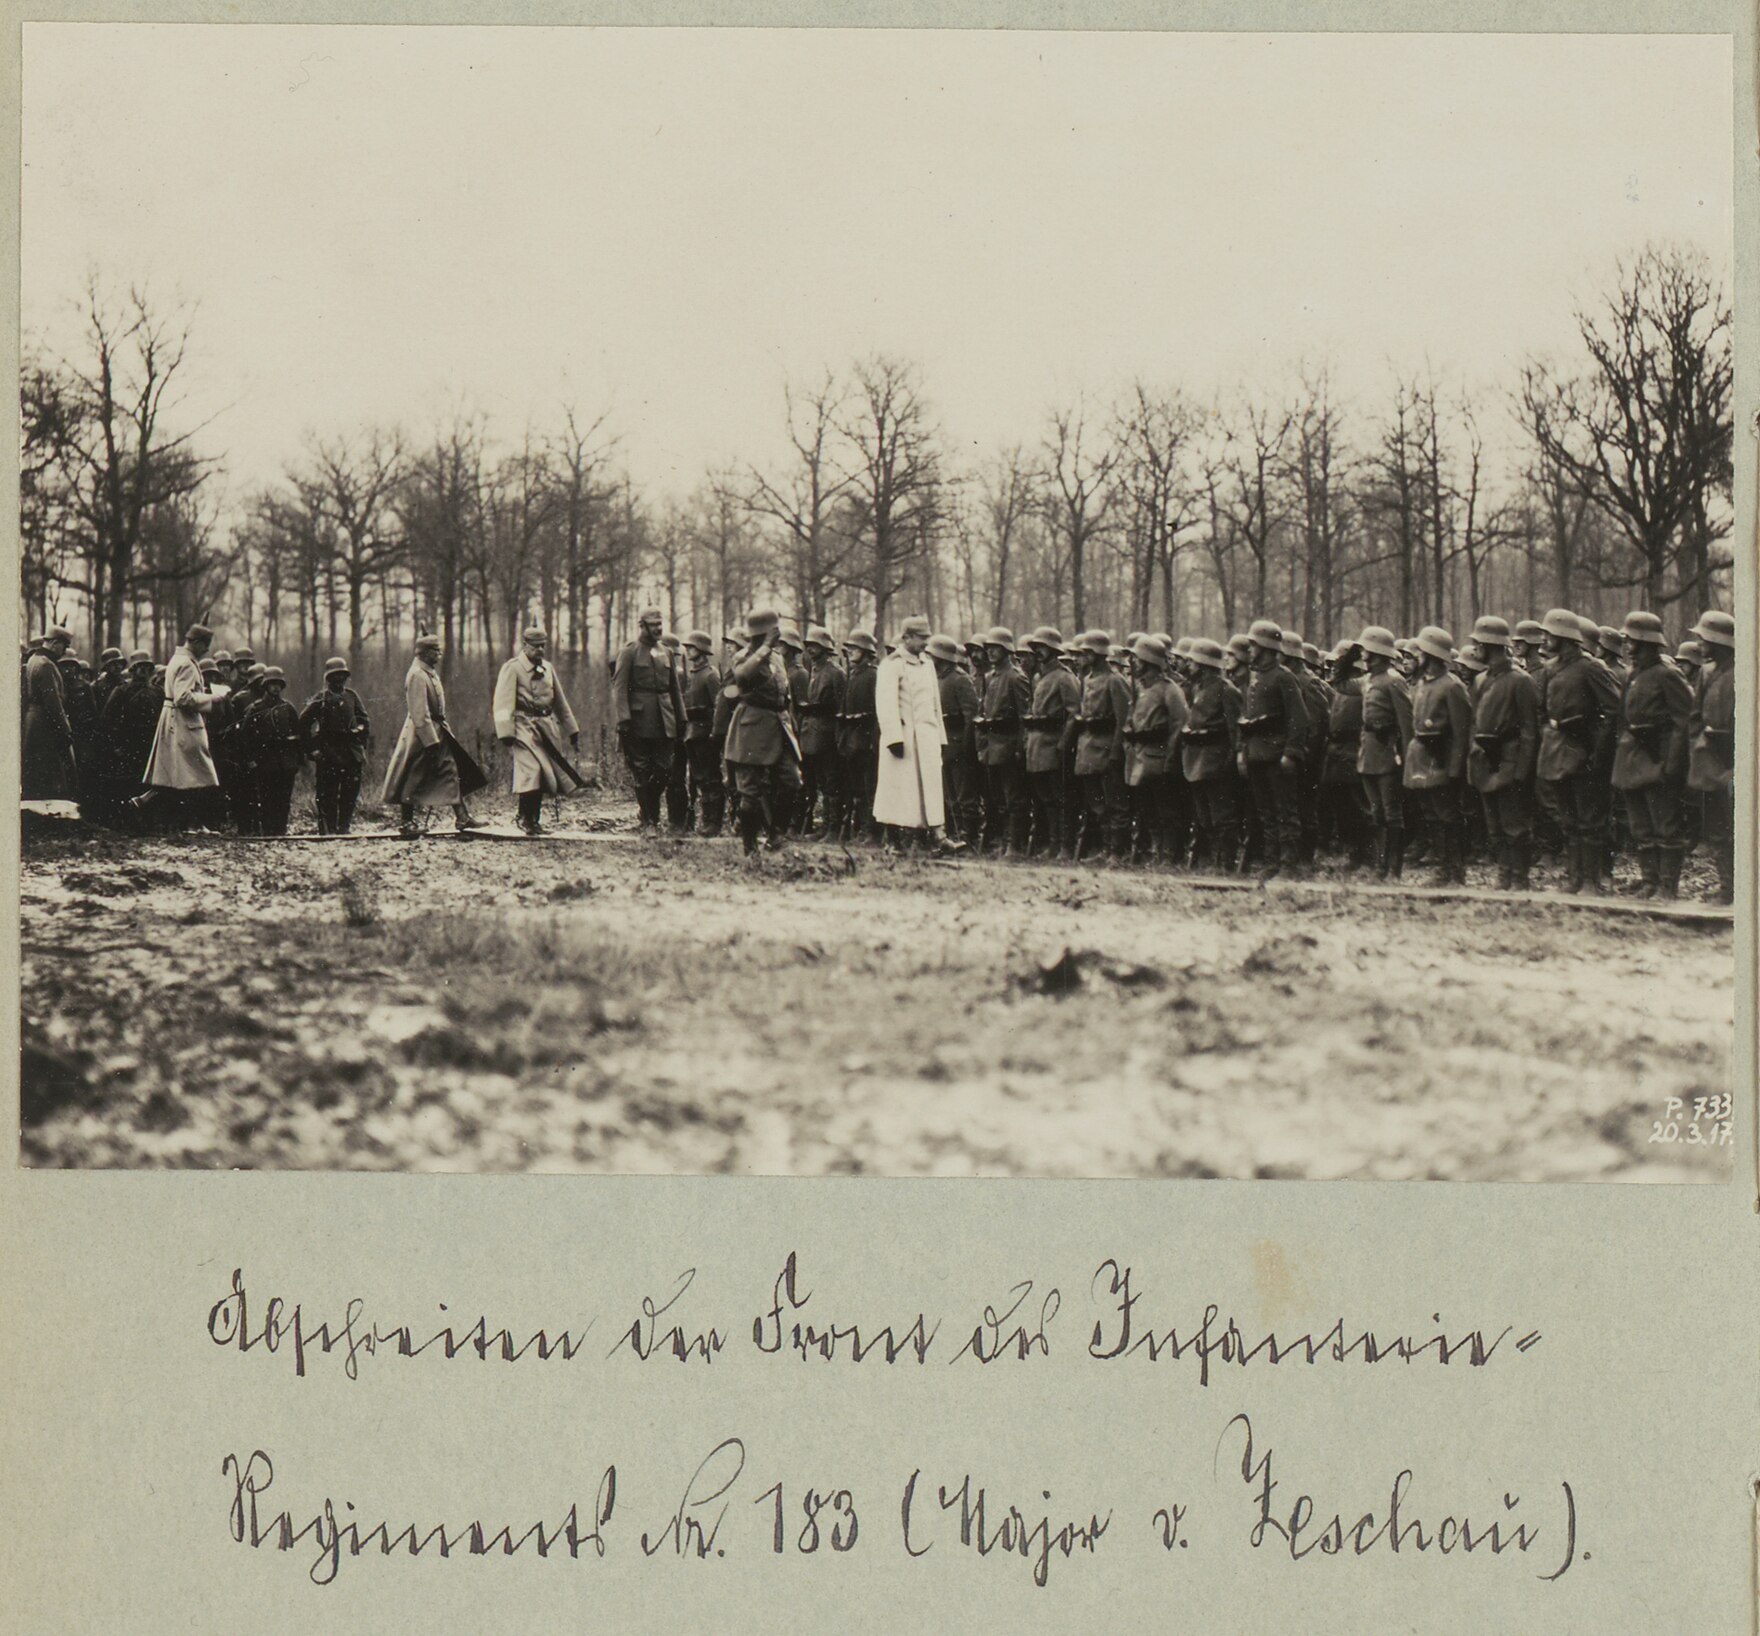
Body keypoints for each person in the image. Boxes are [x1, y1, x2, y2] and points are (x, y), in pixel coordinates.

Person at [1535, 607, 1619, 894]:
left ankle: (1592, 881)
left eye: (1549, 634)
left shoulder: (1592, 667)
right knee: (1569, 820)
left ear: (1565, 637)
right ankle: (1574, 878)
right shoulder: (1549, 669)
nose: (1544, 639)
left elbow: (1613, 710)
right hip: (1558, 754)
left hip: (1585, 753)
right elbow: (1541, 711)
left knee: (1591, 821)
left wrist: (1597, 749)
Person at [1611, 610, 1694, 899]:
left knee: (1665, 826)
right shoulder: (1633, 674)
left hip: (1658, 760)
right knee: (1641, 827)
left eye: (1631, 640)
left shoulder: (1668, 675)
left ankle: (1668, 886)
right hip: (1632, 760)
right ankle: (1650, 882)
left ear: (1645, 641)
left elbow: (1683, 722)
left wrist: (1671, 764)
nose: (1628, 646)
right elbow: (1623, 717)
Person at [381, 633, 486, 837]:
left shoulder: (428, 672)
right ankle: (406, 822)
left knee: (450, 770)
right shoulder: (417, 675)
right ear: (425, 653)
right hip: (420, 736)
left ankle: (462, 817)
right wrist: (430, 742)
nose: (439, 654)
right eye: (436, 651)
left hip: (438, 730)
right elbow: (420, 713)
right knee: (413, 776)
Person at [1463, 617, 1540, 890]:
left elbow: (1531, 729)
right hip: (1486, 760)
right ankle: (1504, 874)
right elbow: (1474, 722)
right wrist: (1474, 753)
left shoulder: (1522, 681)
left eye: (1477, 644)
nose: (1474, 650)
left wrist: (1522, 769)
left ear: (1489, 645)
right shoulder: (1481, 679)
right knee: (1494, 825)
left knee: (1515, 825)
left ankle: (1519, 877)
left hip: (1510, 760)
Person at [873, 615, 958, 853]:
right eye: (921, 638)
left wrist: (940, 737)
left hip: (926, 736)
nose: (925, 643)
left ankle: (934, 838)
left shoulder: (927, 664)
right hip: (903, 738)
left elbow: (935, 704)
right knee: (896, 788)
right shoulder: (891, 664)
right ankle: (893, 840)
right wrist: (893, 738)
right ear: (907, 637)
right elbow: (885, 703)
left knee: (928, 789)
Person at [723, 609, 804, 856]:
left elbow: (784, 695)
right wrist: (764, 648)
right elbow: (742, 678)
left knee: (792, 780)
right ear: (763, 634)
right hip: (752, 727)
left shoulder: (777, 658)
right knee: (750, 792)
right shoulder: (742, 657)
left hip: (779, 725)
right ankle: (750, 848)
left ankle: (776, 834)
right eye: (773, 630)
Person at [494, 625, 588, 836]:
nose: (540, 650)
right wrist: (505, 732)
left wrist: (572, 729)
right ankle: (526, 819)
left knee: (546, 775)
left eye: (543, 646)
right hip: (522, 727)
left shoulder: (547, 668)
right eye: (535, 646)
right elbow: (502, 702)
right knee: (531, 771)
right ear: (525, 645)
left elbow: (560, 702)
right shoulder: (513, 667)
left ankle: (532, 820)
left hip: (545, 728)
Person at [1236, 620, 1310, 879]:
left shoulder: (1284, 677)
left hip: (1277, 756)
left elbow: (1298, 718)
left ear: (1266, 647)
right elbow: (1246, 720)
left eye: (1254, 645)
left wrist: (1291, 752)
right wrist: (1242, 751)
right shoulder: (1255, 679)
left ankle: (1289, 864)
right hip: (1257, 755)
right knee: (1266, 813)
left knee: (1285, 812)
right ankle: (1272, 862)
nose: (1250, 650)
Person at [1402, 626, 1473, 885]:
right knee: (1431, 816)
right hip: (1421, 758)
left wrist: (1455, 769)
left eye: (1421, 650)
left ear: (1431, 654)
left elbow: (1461, 731)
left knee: (1447, 816)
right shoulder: (1422, 684)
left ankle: (1454, 871)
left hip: (1441, 759)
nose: (1418, 655)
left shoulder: (1452, 686)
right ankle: (1442, 869)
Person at [132, 623, 220, 830]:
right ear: (196, 643)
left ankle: (146, 802)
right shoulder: (187, 664)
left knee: (179, 775)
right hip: (184, 722)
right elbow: (184, 698)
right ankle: (192, 825)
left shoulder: (178, 659)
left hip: (173, 720)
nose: (207, 649)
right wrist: (213, 698)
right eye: (205, 644)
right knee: (197, 775)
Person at [611, 607, 686, 834]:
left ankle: (647, 810)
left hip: (665, 720)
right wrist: (624, 719)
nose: (658, 628)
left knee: (664, 769)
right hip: (639, 721)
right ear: (642, 625)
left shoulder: (666, 652)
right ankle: (651, 821)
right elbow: (620, 687)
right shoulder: (629, 652)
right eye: (653, 625)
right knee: (642, 771)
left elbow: (674, 688)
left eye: (660, 624)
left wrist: (681, 718)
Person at [1121, 635, 1186, 865]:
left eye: (1137, 659)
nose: (1134, 663)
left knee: (1166, 810)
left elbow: (1179, 724)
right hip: (1140, 758)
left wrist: (1171, 758)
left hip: (1159, 758)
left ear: (1149, 661)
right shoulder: (1141, 689)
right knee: (1148, 810)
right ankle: (1156, 852)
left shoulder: (1169, 690)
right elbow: (1132, 719)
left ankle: (1168, 855)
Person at [1685, 610, 1735, 905]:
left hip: (1735, 762)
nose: (1699, 643)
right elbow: (1694, 716)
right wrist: (1699, 744)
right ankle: (1727, 886)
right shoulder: (1705, 673)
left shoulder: (1745, 671)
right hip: (1709, 761)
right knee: (1716, 829)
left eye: (1704, 638)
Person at [1179, 637, 1240, 874]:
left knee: (1222, 816)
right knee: (1204, 816)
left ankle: (1226, 863)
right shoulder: (1198, 689)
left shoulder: (1227, 691)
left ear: (1203, 664)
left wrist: (1230, 761)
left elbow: (1235, 730)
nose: (1189, 666)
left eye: (1193, 662)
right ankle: (1214, 859)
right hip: (1196, 759)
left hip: (1216, 761)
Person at [1071, 631, 1132, 862]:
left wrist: (1116, 752)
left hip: (1107, 749)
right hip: (1088, 749)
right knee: (1098, 805)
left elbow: (1123, 719)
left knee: (1115, 803)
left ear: (1098, 654)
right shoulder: (1087, 680)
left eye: (1087, 652)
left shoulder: (1115, 680)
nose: (1083, 656)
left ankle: (1117, 852)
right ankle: (1106, 848)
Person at [1022, 627, 1080, 859]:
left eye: (1043, 648)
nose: (1038, 652)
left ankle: (1066, 846)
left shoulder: (1065, 678)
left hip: (1054, 745)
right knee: (1046, 800)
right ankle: (1053, 844)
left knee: (1062, 799)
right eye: (1036, 648)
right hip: (1037, 745)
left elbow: (1074, 714)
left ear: (1054, 650)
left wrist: (1063, 745)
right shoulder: (1039, 677)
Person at [974, 626, 1031, 855]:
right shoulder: (991, 677)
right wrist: (982, 746)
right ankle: (1004, 841)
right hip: (991, 747)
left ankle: (1015, 846)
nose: (990, 652)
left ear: (1007, 650)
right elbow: (983, 713)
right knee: (997, 799)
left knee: (1014, 798)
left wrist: (1019, 748)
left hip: (1009, 747)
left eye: (995, 648)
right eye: (988, 648)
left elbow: (1023, 718)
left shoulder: (1016, 678)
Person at [299, 656, 371, 834]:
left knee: (350, 793)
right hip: (328, 752)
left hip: (350, 752)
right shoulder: (320, 698)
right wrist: (312, 749)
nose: (339, 679)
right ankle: (328, 828)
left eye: (342, 675)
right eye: (335, 675)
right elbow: (303, 723)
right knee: (327, 794)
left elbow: (364, 720)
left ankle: (344, 826)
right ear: (328, 678)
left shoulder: (352, 696)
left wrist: (360, 741)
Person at [929, 634, 983, 846]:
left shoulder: (960, 679)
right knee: (949, 795)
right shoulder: (937, 679)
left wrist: (967, 747)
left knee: (965, 796)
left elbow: (971, 715)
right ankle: (953, 836)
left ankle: (969, 838)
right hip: (943, 745)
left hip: (959, 744)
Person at [237, 667, 304, 836]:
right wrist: (250, 758)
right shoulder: (256, 708)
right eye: (272, 684)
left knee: (284, 798)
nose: (275, 688)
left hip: (286, 761)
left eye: (278, 684)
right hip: (265, 761)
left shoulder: (288, 708)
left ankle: (280, 830)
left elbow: (298, 733)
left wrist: (297, 759)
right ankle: (267, 832)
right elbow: (245, 736)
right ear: (265, 686)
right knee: (267, 798)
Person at [796, 626, 846, 837]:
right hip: (811, 734)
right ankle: (822, 828)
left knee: (831, 783)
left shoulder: (836, 673)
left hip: (827, 735)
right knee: (815, 782)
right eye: (809, 646)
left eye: (815, 646)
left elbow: (841, 706)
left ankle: (832, 828)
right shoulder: (812, 671)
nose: (811, 650)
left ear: (825, 648)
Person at [834, 630, 880, 843]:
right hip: (851, 739)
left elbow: (877, 711)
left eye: (856, 648)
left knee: (870, 787)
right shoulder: (852, 674)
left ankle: (872, 831)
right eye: (850, 648)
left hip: (867, 739)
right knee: (856, 789)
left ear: (866, 652)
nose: (851, 651)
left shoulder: (873, 675)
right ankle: (859, 828)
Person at [21, 627, 77, 801]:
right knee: (51, 772)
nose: (64, 651)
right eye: (64, 645)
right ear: (54, 643)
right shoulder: (45, 664)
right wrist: (65, 730)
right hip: (44, 723)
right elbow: (53, 703)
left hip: (34, 721)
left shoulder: (33, 660)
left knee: (36, 770)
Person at [680, 631, 726, 837]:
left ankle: (714, 822)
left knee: (711, 778)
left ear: (701, 650)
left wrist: (715, 733)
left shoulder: (710, 675)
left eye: (692, 647)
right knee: (699, 778)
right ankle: (706, 820)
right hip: (693, 733)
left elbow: (719, 706)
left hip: (706, 734)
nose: (688, 650)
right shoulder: (693, 674)